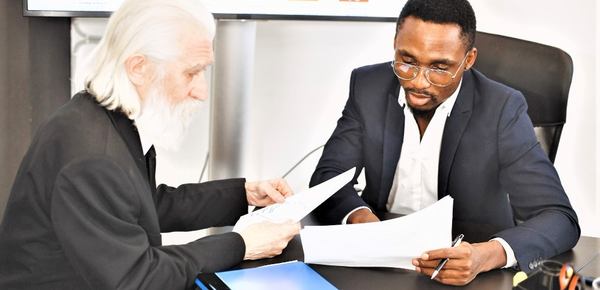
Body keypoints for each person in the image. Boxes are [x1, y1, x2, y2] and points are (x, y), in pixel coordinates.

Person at [0, 0, 300, 289]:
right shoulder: (93, 156)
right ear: (138, 68)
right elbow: (138, 278)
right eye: (191, 72)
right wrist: (242, 244)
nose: (202, 92)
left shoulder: (106, 116)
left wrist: (242, 194)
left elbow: (143, 206)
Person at [310, 0, 580, 285]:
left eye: (440, 68)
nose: (419, 82)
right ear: (395, 43)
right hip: (380, 264)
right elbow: (329, 179)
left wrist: (486, 254)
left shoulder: (501, 109)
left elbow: (559, 218)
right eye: (408, 61)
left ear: (469, 59)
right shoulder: (368, 85)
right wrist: (364, 222)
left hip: (466, 269)